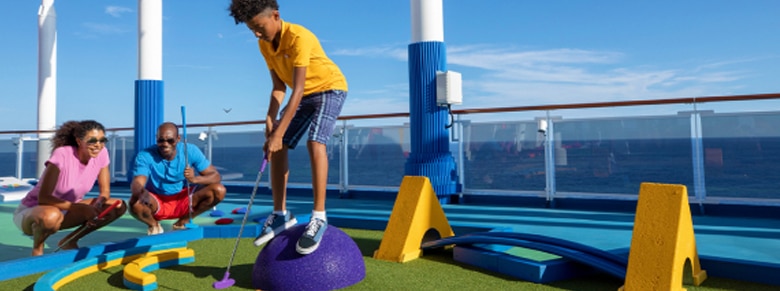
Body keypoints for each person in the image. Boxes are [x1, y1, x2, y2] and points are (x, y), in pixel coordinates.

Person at [229, 0, 348, 255]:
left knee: (315, 141)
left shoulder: (298, 37)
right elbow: (279, 87)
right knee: (277, 143)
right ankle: (281, 214)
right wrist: (270, 119)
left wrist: (279, 132)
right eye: (252, 30)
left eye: (259, 27)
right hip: (302, 96)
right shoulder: (264, 44)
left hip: (330, 88)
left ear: (275, 15)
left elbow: (299, 88)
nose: (257, 34)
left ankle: (319, 216)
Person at [13, 120, 127, 256]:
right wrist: (81, 209)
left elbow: (105, 192)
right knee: (51, 215)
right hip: (33, 213)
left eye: (102, 140)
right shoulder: (62, 154)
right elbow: (44, 198)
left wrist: (98, 206)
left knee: (117, 205)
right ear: (79, 141)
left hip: (67, 211)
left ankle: (70, 240)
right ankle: (37, 250)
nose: (98, 145)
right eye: (92, 141)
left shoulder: (102, 153)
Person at [128, 122, 227, 234]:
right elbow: (138, 181)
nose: (165, 144)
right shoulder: (145, 155)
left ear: (178, 139)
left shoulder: (190, 151)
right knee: (135, 202)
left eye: (170, 140)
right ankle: (154, 226)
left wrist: (195, 179)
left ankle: (182, 222)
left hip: (183, 199)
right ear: (156, 139)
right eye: (161, 140)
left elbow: (216, 176)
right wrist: (140, 191)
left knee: (219, 190)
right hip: (157, 202)